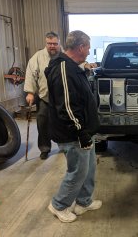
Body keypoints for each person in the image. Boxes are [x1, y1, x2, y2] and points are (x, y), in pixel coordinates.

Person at [45, 30, 101, 223]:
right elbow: (67, 107)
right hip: (74, 134)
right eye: (87, 48)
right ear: (80, 47)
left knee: (89, 168)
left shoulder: (73, 67)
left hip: (85, 130)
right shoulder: (63, 69)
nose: (88, 52)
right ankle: (58, 205)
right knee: (77, 171)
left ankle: (84, 202)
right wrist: (82, 133)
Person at [24, 31, 61, 160]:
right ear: (46, 43)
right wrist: (30, 92)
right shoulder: (38, 57)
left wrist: (86, 65)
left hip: (61, 99)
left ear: (59, 43)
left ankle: (63, 145)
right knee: (42, 123)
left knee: (62, 123)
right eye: (49, 43)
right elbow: (30, 74)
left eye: (55, 43)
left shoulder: (63, 56)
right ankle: (45, 148)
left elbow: (77, 63)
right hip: (44, 97)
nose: (52, 46)